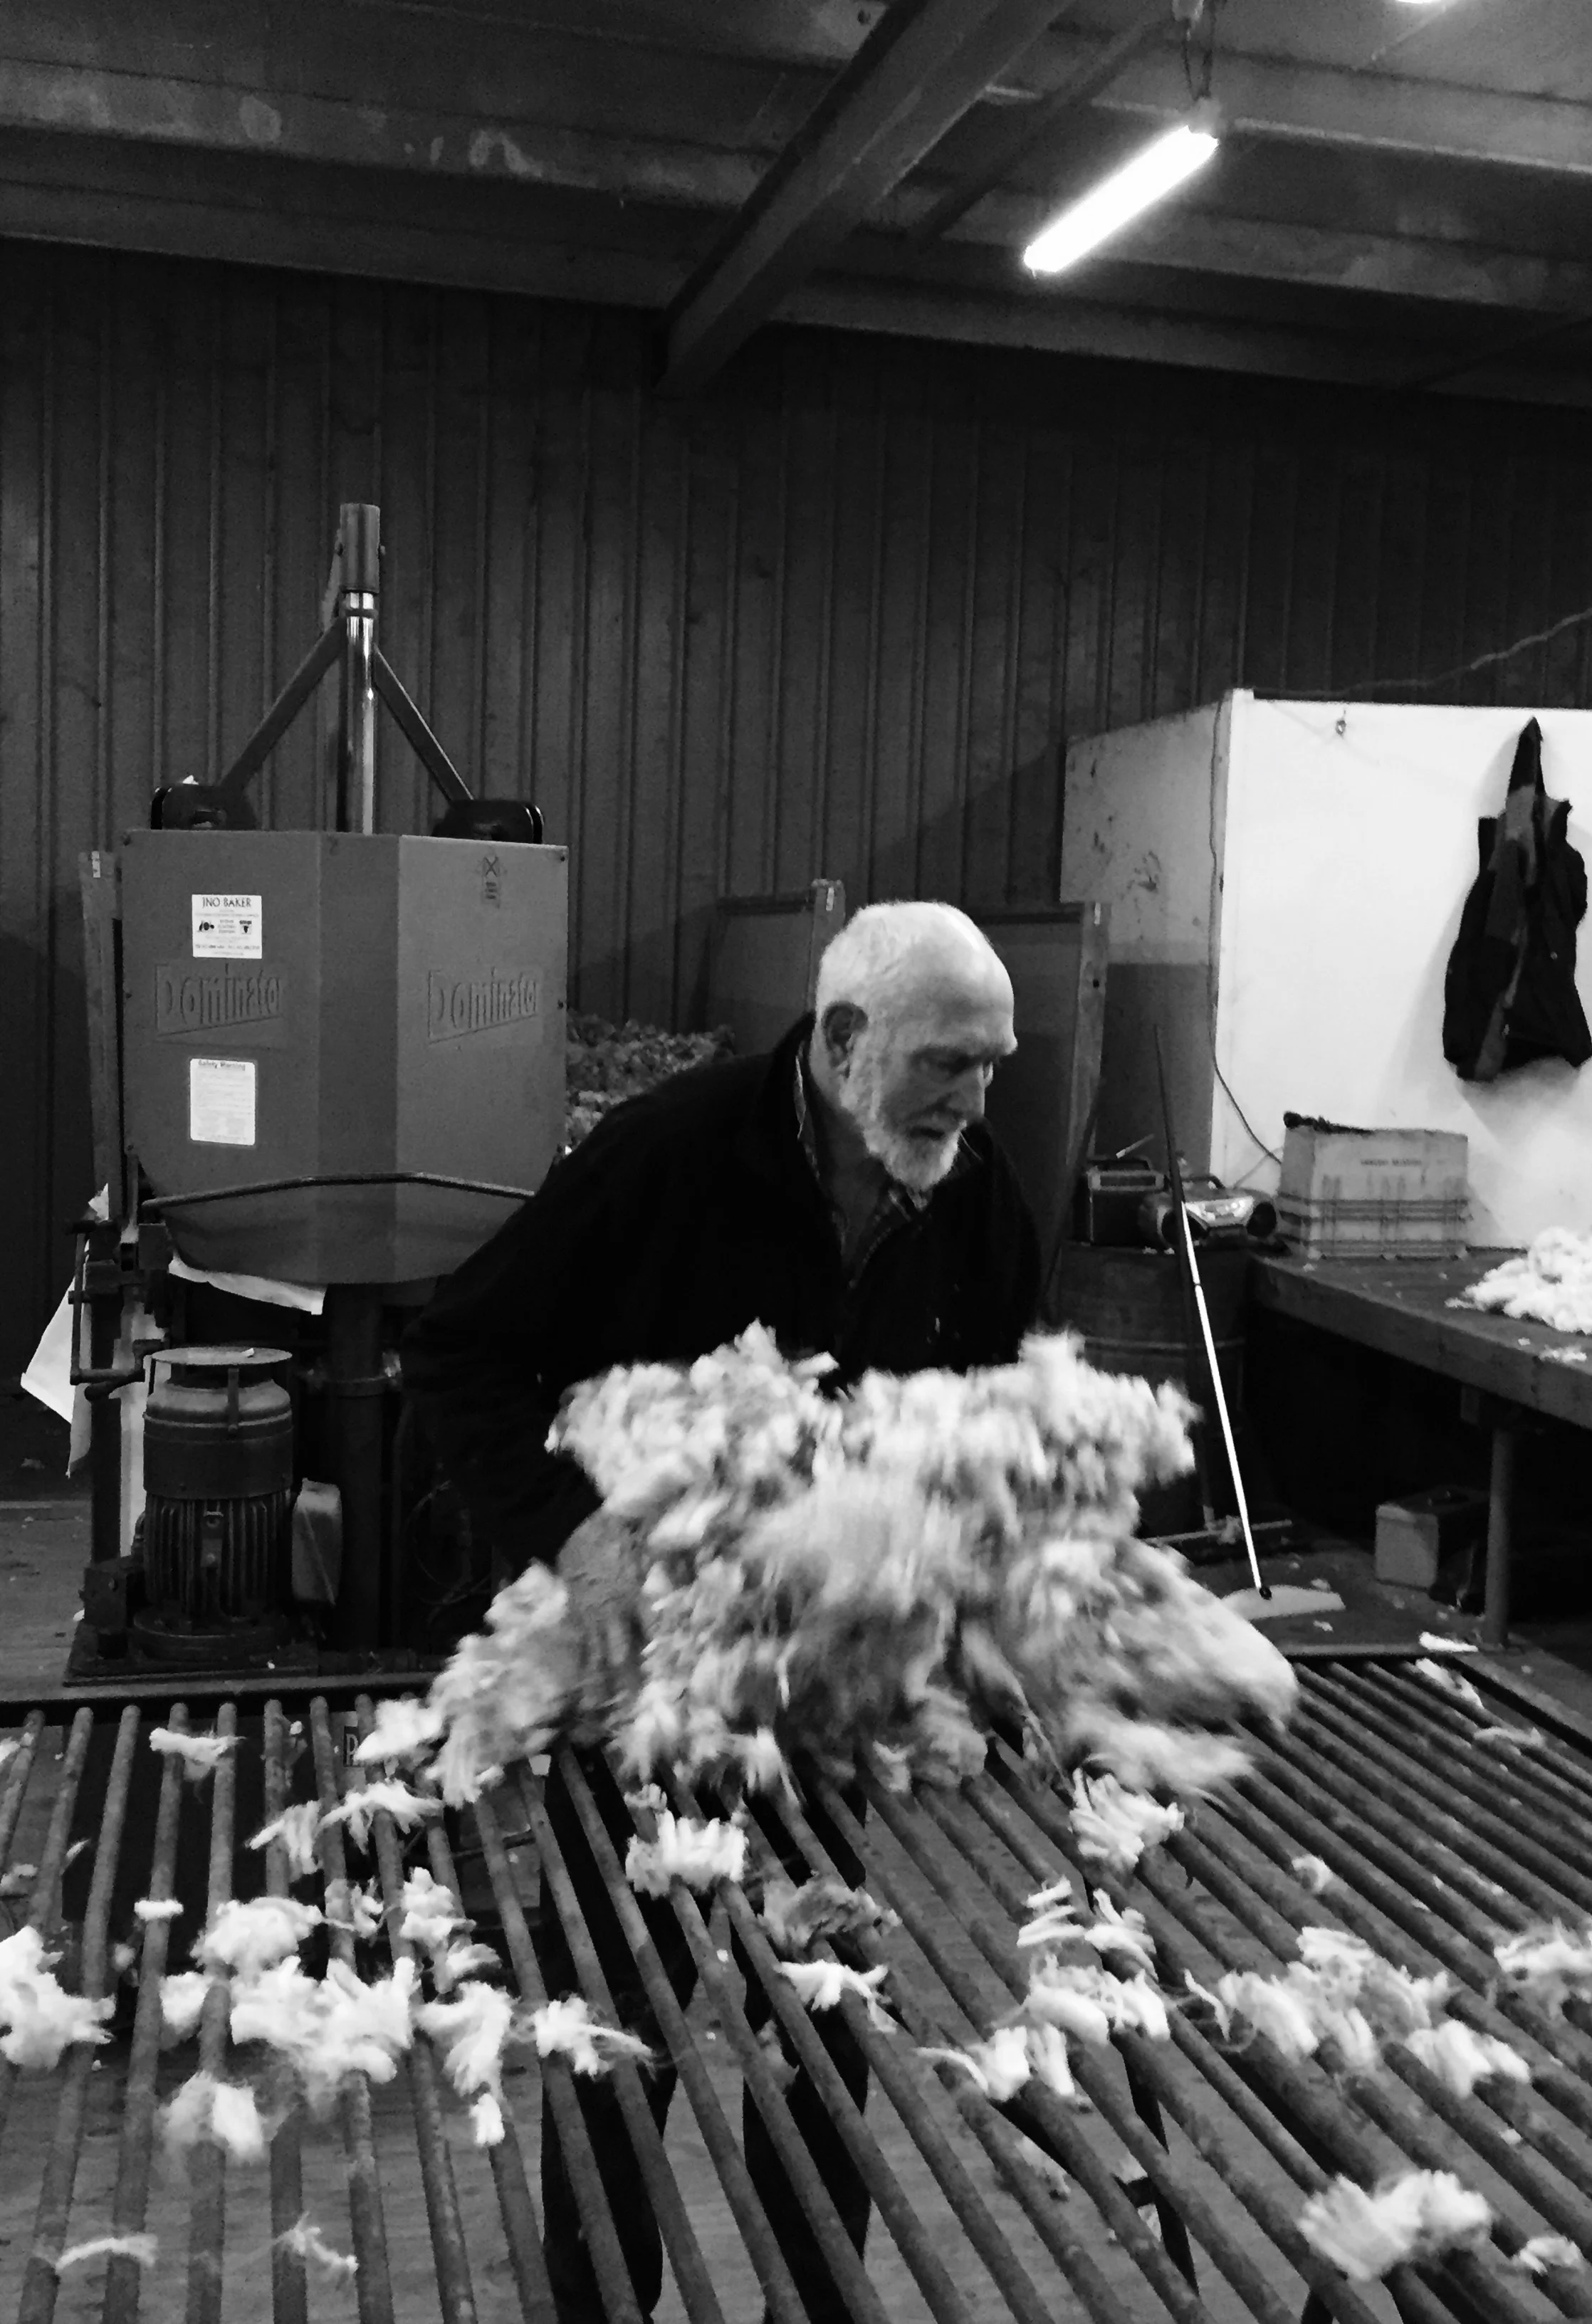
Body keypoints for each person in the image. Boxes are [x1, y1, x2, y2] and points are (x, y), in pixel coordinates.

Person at [402, 899, 1041, 2323]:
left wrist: (986, 1618)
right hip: (642, 1674)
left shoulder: (969, 1184)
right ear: (841, 1042)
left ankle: (817, 2301)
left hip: (825, 1686)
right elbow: (457, 1354)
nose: (978, 1098)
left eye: (995, 1065)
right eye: (949, 1062)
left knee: (825, 2013)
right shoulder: (669, 1157)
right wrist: (579, 1545)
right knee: (617, 2032)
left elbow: (1001, 1412)